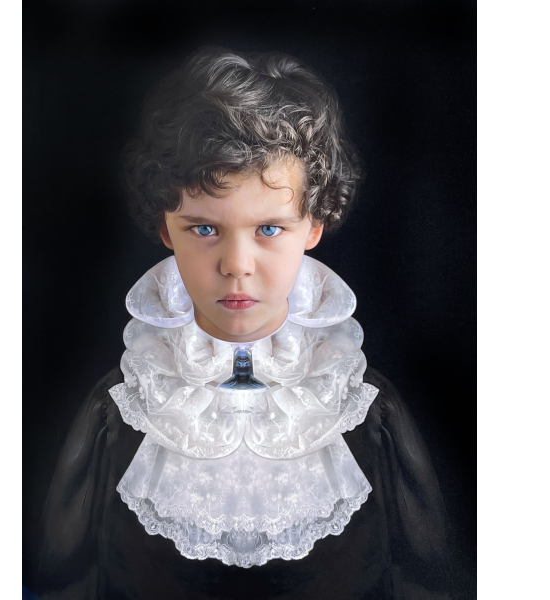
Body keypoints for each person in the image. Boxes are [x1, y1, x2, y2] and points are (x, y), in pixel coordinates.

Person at [35, 47, 453, 599]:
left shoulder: (368, 412)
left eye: (269, 229)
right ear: (165, 229)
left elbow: (424, 584)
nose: (236, 265)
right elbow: (66, 584)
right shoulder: (119, 411)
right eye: (205, 229)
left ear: (314, 225)